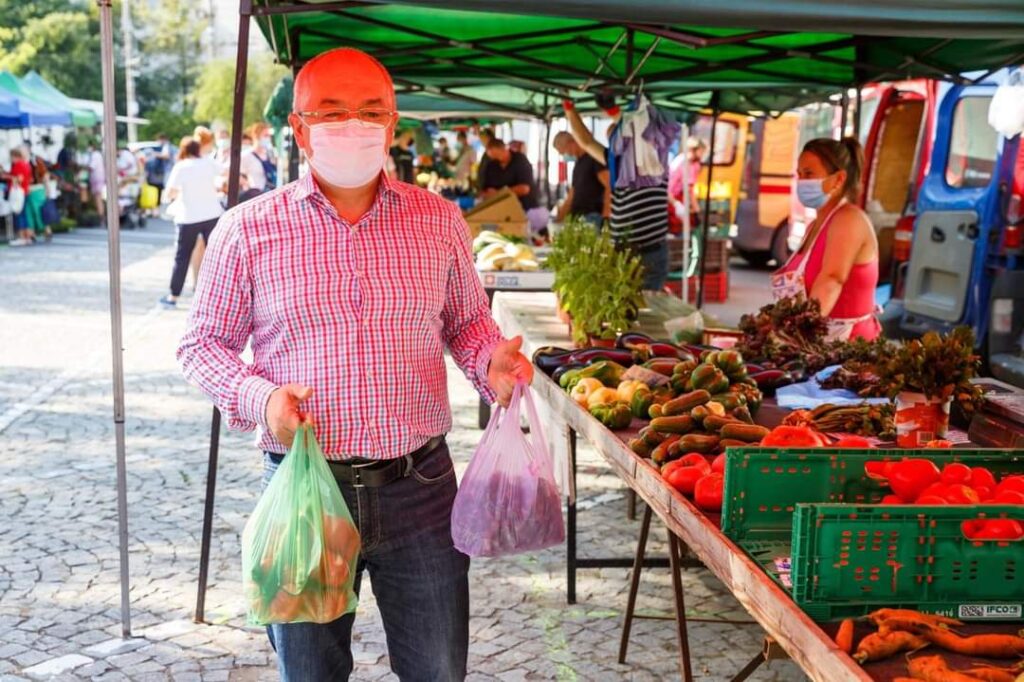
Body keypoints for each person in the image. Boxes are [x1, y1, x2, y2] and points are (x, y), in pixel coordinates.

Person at [176, 46, 532, 681]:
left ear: (393, 123)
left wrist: (490, 365)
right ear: (298, 126)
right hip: (303, 490)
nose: (354, 124)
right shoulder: (248, 229)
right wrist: (262, 401)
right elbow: (201, 345)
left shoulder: (438, 220)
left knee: (439, 671)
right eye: (332, 111)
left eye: (371, 111)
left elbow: (468, 324)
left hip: (420, 490)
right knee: (309, 675)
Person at [772, 137, 880, 341]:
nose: (802, 181)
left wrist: (796, 334)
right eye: (800, 174)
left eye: (809, 174)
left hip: (845, 347)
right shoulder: (815, 225)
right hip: (815, 343)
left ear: (839, 179)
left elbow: (831, 280)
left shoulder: (849, 220)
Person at [562, 99, 671, 291]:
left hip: (650, 253)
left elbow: (640, 130)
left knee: (648, 310)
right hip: (624, 252)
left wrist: (612, 110)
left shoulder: (652, 161)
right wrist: (570, 111)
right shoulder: (617, 163)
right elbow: (586, 142)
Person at [158, 138, 225, 308]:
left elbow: (170, 193)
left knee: (182, 257)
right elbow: (225, 173)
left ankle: (173, 296)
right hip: (212, 214)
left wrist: (183, 191)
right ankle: (219, 295)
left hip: (189, 216)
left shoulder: (182, 166)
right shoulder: (208, 163)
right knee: (218, 256)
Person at [479, 138, 549, 233]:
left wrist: (499, 193)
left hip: (526, 211)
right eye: (493, 157)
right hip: (501, 214)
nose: (495, 159)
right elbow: (485, 191)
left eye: (497, 155)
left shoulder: (520, 160)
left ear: (503, 149)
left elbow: (524, 189)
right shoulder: (491, 165)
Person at [552, 130, 610, 228]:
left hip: (592, 217)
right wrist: (558, 218)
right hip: (577, 218)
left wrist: (606, 217)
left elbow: (609, 185)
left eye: (564, 151)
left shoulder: (594, 157)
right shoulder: (578, 164)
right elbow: (572, 194)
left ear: (571, 143)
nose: (567, 155)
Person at [668, 137, 707, 233]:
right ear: (693, 150)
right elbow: (689, 190)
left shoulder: (685, 161)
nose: (702, 155)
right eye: (701, 151)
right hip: (672, 199)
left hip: (674, 198)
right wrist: (697, 210)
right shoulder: (686, 164)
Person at [4, 148, 34, 245]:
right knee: (24, 214)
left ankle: (21, 237)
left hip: (19, 193)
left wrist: (6, 177)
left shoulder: (18, 165)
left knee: (18, 214)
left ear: (15, 156)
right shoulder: (26, 164)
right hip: (25, 191)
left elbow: (19, 178)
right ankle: (27, 237)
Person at [249, 122, 278, 188]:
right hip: (257, 195)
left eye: (269, 136)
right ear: (256, 136)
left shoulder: (270, 154)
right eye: (265, 135)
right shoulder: (248, 155)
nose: (268, 138)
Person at [86, 141, 105, 219]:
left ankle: (101, 215)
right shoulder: (97, 154)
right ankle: (100, 213)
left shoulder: (95, 155)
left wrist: (82, 168)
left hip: (97, 178)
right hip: (98, 177)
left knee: (98, 197)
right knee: (98, 197)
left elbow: (91, 167)